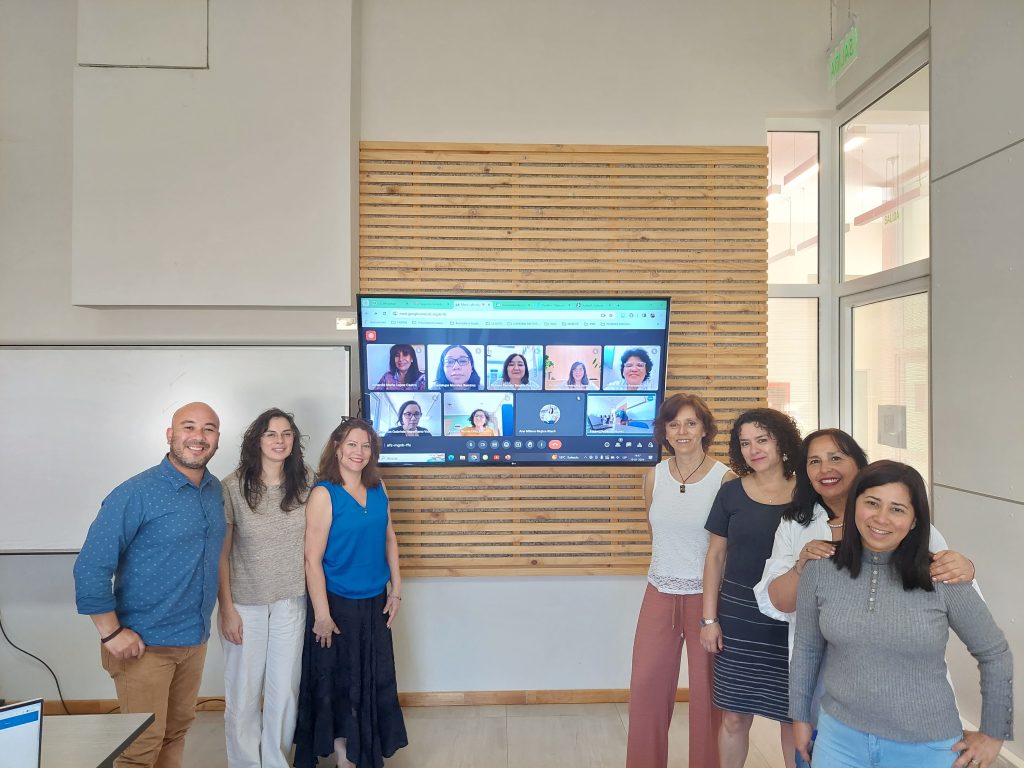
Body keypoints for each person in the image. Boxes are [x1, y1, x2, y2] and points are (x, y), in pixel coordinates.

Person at [790, 461, 1013, 768]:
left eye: (897, 509)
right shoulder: (820, 567)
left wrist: (994, 733)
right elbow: (806, 649)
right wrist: (800, 716)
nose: (881, 518)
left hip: (926, 746)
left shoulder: (941, 575)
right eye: (871, 503)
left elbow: (995, 653)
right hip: (838, 740)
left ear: (914, 521)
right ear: (854, 505)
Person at [74, 402, 225, 768]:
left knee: (175, 733)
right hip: (144, 646)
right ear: (170, 435)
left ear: (217, 439)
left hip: (193, 641)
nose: (198, 437)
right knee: (141, 747)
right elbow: (91, 566)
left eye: (208, 429)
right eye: (188, 427)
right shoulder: (135, 493)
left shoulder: (214, 490)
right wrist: (110, 634)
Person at [754, 428, 975, 657]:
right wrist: (801, 568)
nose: (825, 469)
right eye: (814, 461)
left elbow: (959, 597)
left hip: (904, 669)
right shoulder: (795, 524)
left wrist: (965, 568)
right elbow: (777, 603)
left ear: (859, 464)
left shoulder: (899, 524)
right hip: (822, 670)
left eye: (836, 458)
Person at [626, 393, 736, 768]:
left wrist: (711, 614)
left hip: (707, 599)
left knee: (708, 697)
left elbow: (725, 549)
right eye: (674, 424)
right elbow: (655, 534)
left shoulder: (725, 479)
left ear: (705, 429)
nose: (683, 431)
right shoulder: (653, 476)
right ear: (664, 432)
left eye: (691, 423)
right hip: (658, 593)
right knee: (646, 690)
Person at [293, 418, 407, 768]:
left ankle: (364, 750)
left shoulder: (378, 488)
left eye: (366, 446)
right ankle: (345, 756)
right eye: (352, 445)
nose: (359, 452)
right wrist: (322, 615)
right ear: (338, 449)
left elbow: (389, 538)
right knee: (339, 682)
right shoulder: (324, 494)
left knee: (372, 679)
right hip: (336, 605)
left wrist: (397, 589)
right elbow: (311, 560)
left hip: (374, 601)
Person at [701, 407, 802, 768]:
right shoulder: (731, 493)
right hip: (738, 619)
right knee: (734, 717)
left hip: (792, 621)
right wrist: (708, 620)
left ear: (781, 442)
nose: (753, 450)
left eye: (762, 440)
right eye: (745, 443)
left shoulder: (808, 492)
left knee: (794, 719)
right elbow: (715, 557)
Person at [218, 408, 312, 768]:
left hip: (291, 601)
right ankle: (245, 763)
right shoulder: (232, 486)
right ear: (256, 440)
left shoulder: (307, 481)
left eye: (287, 434)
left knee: (284, 691)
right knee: (242, 694)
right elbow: (222, 555)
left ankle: (275, 761)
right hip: (245, 605)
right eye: (271, 434)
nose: (279, 441)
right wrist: (226, 609)